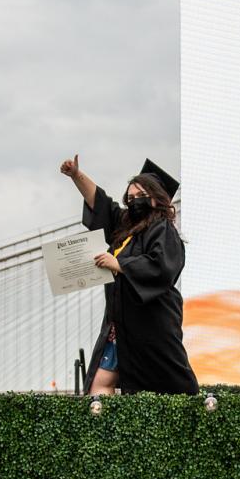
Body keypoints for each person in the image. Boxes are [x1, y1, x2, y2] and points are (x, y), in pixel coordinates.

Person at [59, 154, 199, 395]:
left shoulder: (163, 229)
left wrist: (120, 265)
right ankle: (108, 431)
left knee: (168, 388)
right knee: (99, 383)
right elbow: (101, 204)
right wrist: (76, 176)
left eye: (140, 197)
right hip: (120, 324)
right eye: (130, 197)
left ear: (156, 199)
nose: (133, 202)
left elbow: (162, 267)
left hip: (152, 326)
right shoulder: (125, 227)